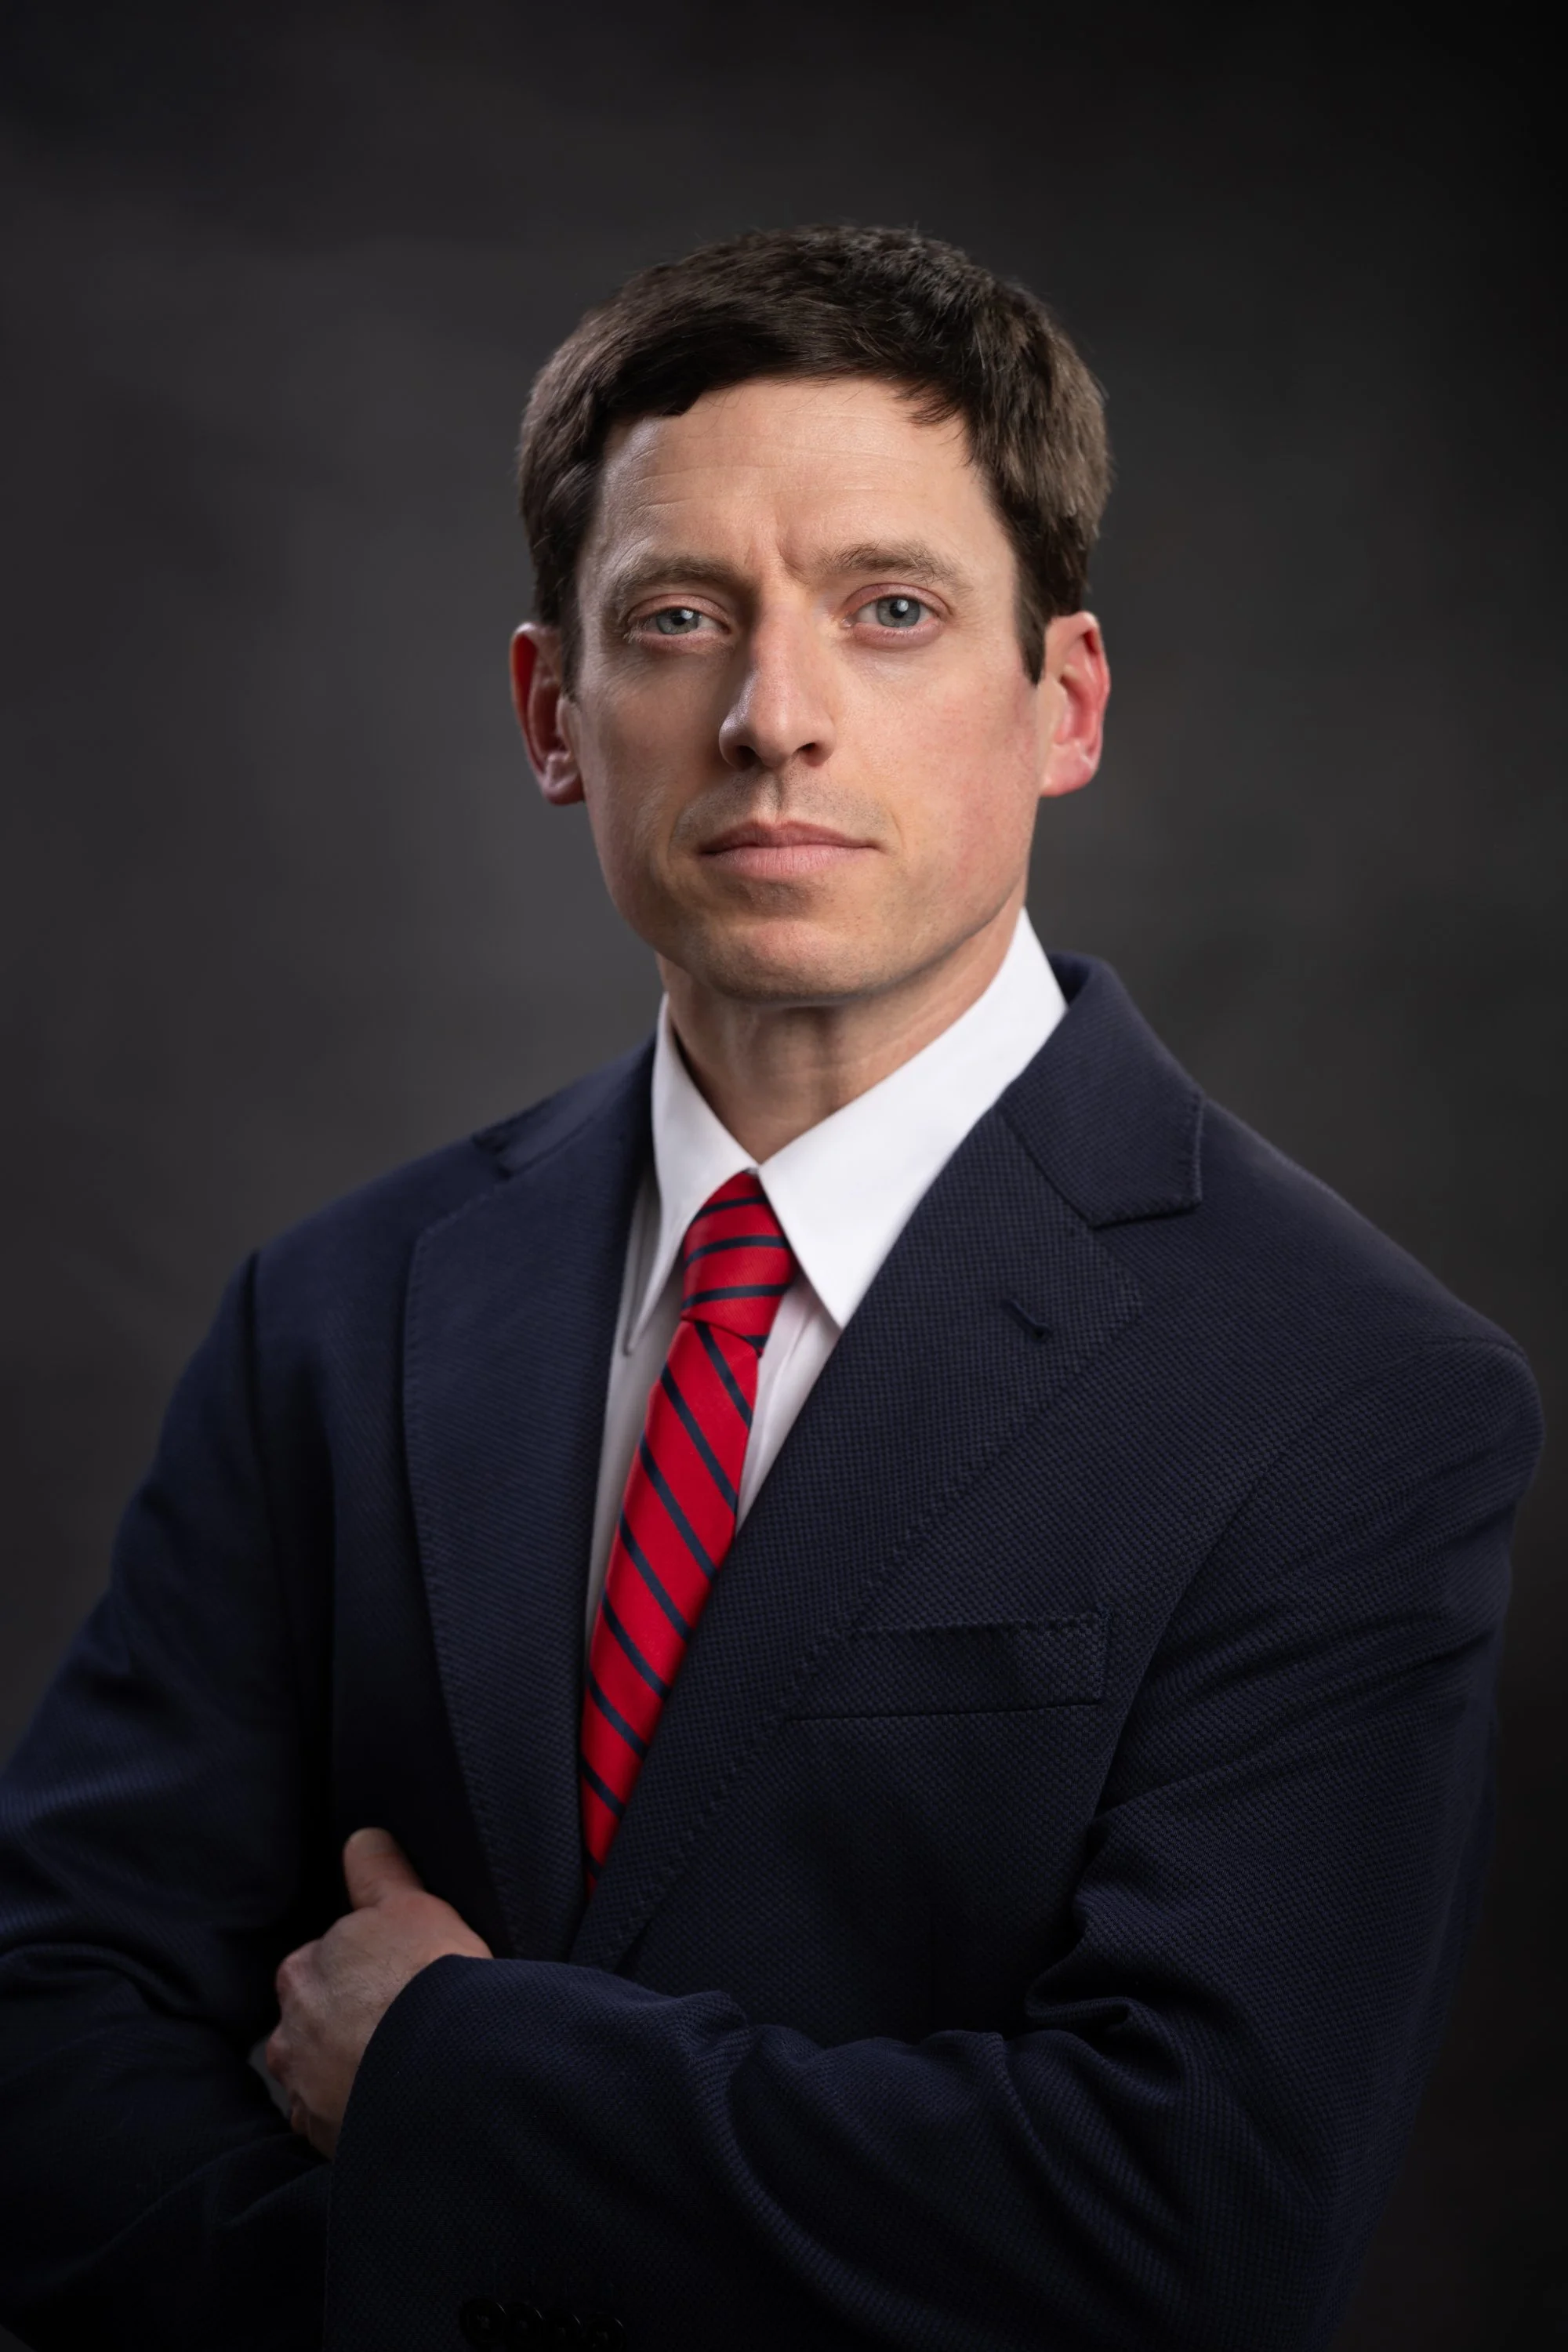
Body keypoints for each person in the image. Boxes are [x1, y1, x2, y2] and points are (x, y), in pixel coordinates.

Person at [0, 225, 1543, 2352]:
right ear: (557, 713)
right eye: (676, 619)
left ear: (1062, 703)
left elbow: (1186, 2221)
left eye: (890, 612)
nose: (772, 718)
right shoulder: (337, 1316)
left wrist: (451, 2077)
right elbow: (50, 2028)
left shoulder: (1349, 1392)